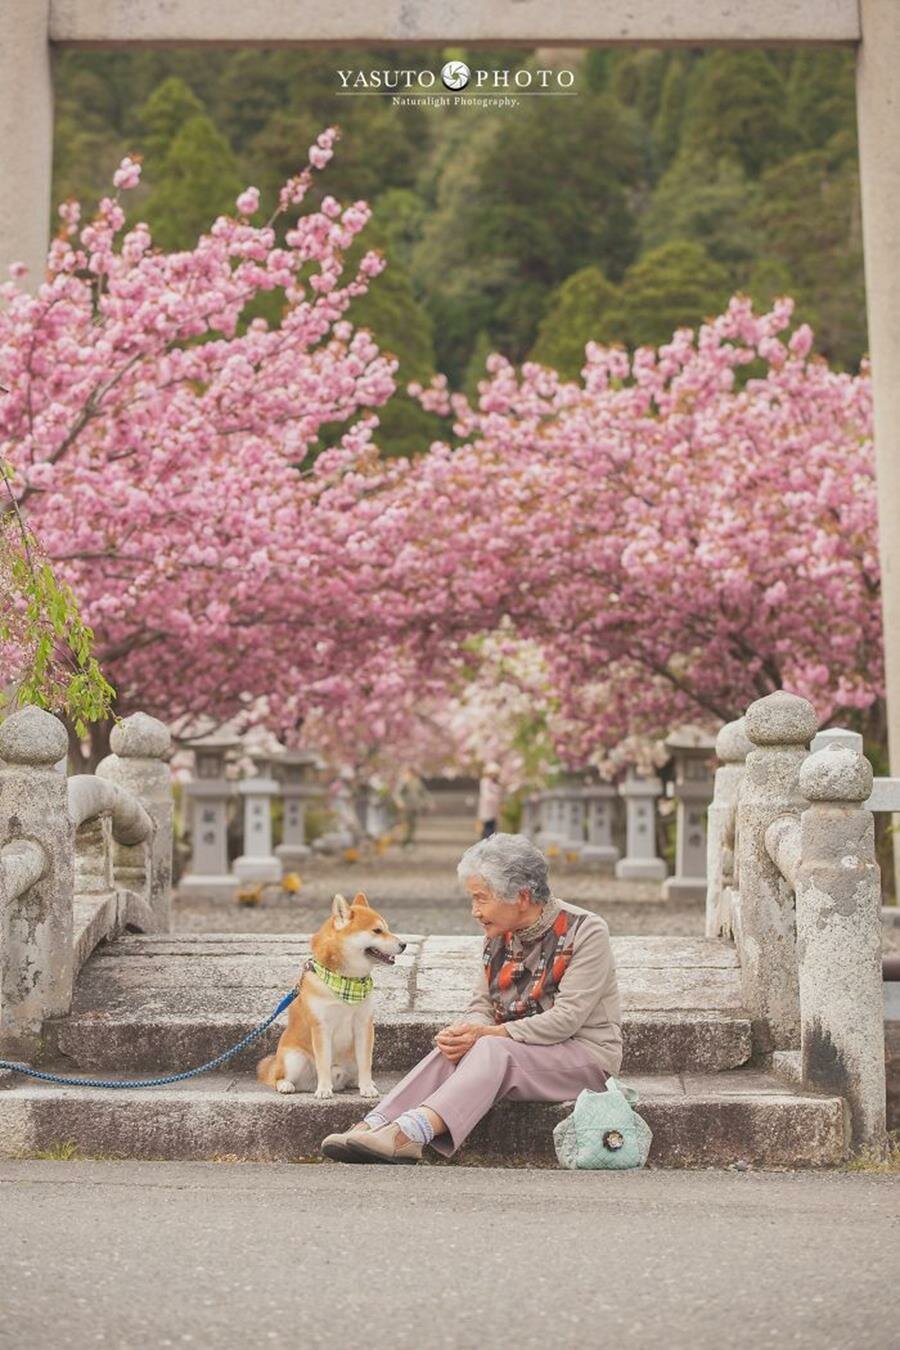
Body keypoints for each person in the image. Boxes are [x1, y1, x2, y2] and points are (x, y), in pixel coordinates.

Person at [320, 832, 622, 1165]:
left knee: (491, 1046)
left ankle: (408, 1134)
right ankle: (375, 1123)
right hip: (514, 1050)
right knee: (459, 1047)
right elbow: (482, 1007)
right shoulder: (497, 935)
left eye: (481, 898)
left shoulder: (586, 930)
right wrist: (468, 1031)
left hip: (584, 1058)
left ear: (521, 896)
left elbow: (567, 1019)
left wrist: (488, 1034)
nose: (474, 911)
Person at [395, 768, 431, 848]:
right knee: (406, 824)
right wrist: (400, 803)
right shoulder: (403, 781)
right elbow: (397, 793)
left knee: (413, 824)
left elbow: (423, 792)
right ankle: (404, 840)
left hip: (415, 806)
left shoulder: (417, 781)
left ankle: (410, 840)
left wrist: (428, 802)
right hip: (405, 806)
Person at [476, 761, 503, 839]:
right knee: (487, 827)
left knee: (492, 826)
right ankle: (486, 842)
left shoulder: (496, 783)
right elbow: (486, 795)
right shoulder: (485, 782)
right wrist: (495, 798)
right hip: (487, 808)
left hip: (494, 809)